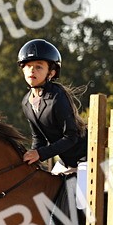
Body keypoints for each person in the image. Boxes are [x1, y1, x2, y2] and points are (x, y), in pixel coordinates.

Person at [18, 39, 86, 172]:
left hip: (86, 158)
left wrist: (40, 154)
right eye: (28, 66)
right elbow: (39, 138)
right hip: (66, 161)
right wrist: (31, 157)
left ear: (51, 73)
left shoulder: (57, 96)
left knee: (80, 188)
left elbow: (71, 137)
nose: (32, 70)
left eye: (38, 67)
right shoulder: (26, 102)